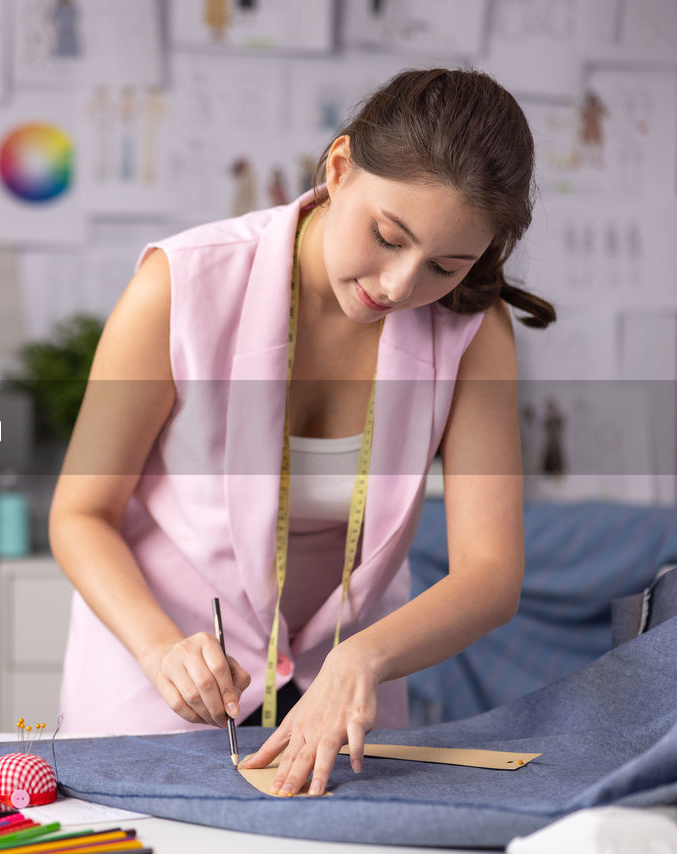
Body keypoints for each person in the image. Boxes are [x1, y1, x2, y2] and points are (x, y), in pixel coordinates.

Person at [49, 68, 555, 797]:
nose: (399, 286)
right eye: (387, 236)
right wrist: (160, 651)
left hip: (342, 706)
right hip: (163, 687)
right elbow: (79, 514)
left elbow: (491, 574)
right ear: (340, 167)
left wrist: (364, 658)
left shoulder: (472, 333)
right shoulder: (179, 286)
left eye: (446, 266)